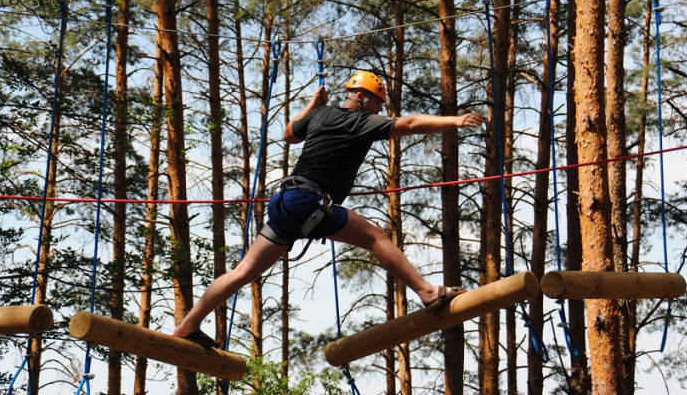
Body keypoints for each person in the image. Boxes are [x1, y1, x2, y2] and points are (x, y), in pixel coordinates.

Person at [173, 70, 485, 347]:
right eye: (379, 102)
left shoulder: (320, 115)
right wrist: (455, 121)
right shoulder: (361, 121)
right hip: (308, 201)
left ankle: (188, 326)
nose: (381, 110)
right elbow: (412, 123)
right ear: (360, 97)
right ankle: (427, 291)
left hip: (284, 201)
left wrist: (313, 104)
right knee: (377, 237)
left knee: (242, 272)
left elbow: (289, 134)